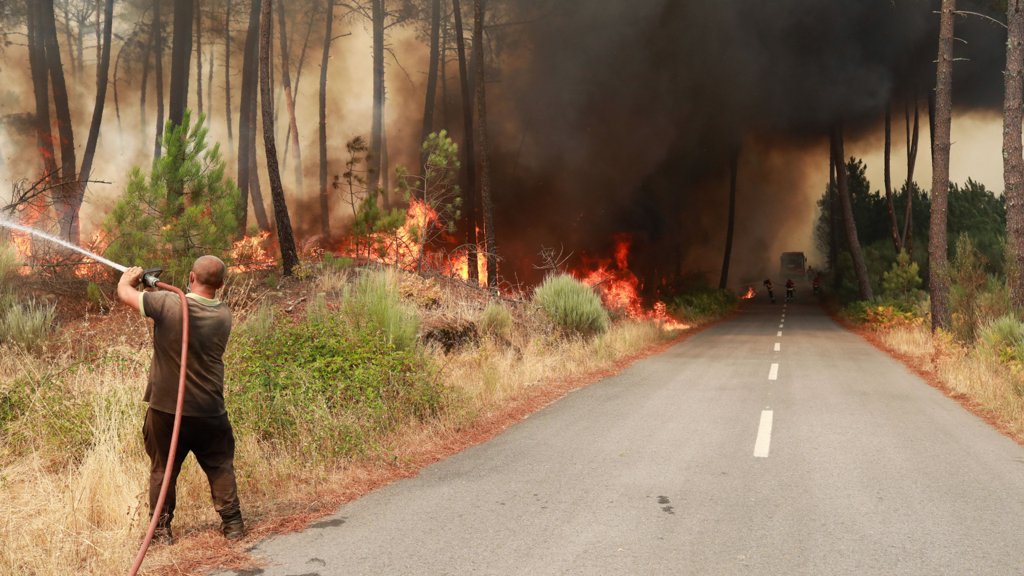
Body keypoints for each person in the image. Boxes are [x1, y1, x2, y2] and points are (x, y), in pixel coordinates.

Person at [117, 256, 243, 545]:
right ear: (221, 285)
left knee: (163, 470)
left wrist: (130, 276)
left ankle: (160, 532)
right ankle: (233, 525)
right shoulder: (224, 314)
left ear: (190, 276)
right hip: (209, 410)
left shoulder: (167, 303)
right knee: (220, 464)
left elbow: (125, 294)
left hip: (166, 410)